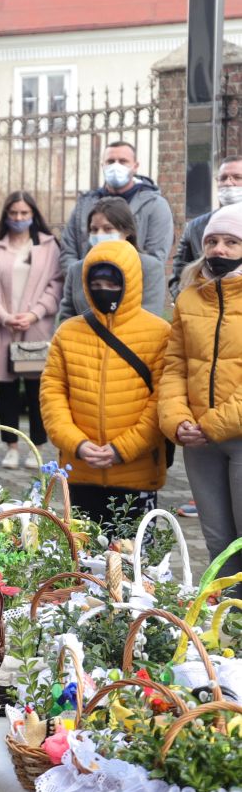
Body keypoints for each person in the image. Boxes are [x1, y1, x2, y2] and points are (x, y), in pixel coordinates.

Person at [42, 240, 169, 534]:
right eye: (95, 282)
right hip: (79, 470)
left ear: (130, 282)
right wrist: (76, 443)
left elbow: (161, 401)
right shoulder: (68, 333)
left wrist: (121, 449)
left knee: (136, 564)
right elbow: (53, 395)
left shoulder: (160, 334)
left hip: (136, 475)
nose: (103, 290)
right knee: (80, 563)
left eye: (111, 283)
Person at [160, 204, 242, 561]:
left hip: (236, 435)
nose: (219, 250)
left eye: (231, 242)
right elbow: (174, 365)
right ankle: (224, 615)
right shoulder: (190, 295)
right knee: (217, 542)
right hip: (199, 442)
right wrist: (177, 420)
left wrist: (212, 425)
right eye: (212, 241)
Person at [0, 191, 63, 468]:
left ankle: (36, 446)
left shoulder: (49, 248)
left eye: (24, 213)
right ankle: (11, 446)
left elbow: (56, 285)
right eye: (14, 213)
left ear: (33, 215)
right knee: (7, 391)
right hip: (3, 329)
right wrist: (4, 316)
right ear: (6, 216)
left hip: (35, 328)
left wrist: (34, 314)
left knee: (37, 389)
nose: (19, 218)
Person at [58, 140, 172, 319]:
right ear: (102, 165)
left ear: (135, 166)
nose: (116, 166)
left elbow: (156, 254)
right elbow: (68, 250)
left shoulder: (155, 205)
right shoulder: (85, 203)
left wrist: (118, 280)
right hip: (87, 292)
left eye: (123, 161)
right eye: (110, 161)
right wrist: (86, 277)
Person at [171, 156, 242, 302]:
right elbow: (179, 276)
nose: (229, 183)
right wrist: (188, 306)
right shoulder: (196, 227)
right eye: (223, 178)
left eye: (237, 177)